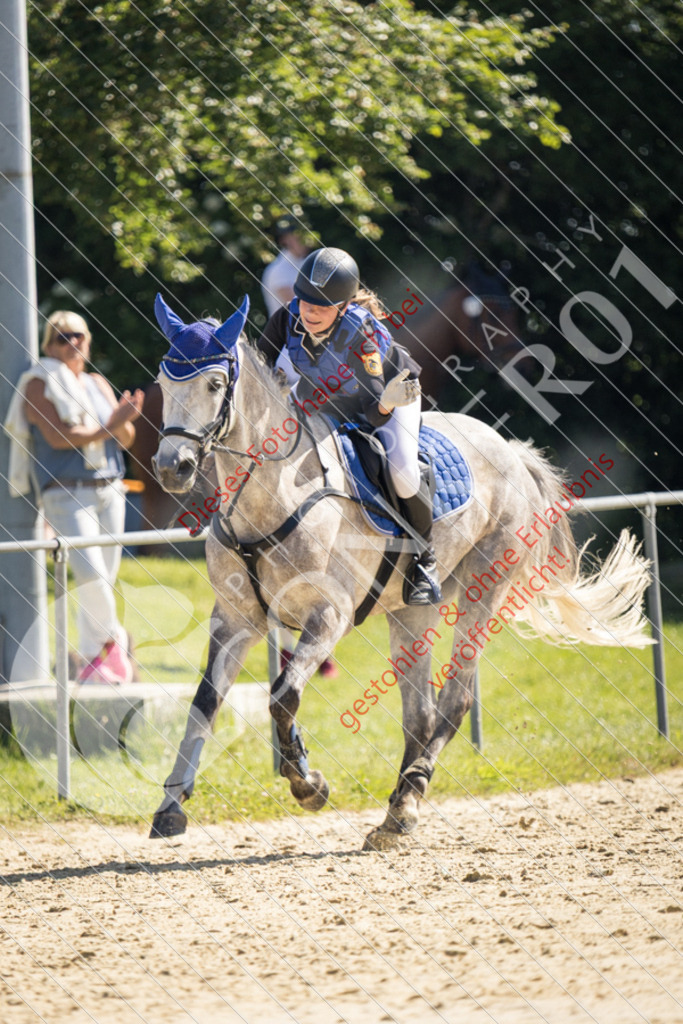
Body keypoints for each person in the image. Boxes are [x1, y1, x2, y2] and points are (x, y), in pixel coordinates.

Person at [257, 247, 442, 606]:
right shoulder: (287, 317)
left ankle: (424, 559)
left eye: (321, 307)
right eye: (305, 302)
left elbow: (373, 412)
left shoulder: (363, 335)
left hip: (390, 396)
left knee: (402, 470)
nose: (308, 313)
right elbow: (261, 369)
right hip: (326, 393)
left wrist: (388, 400)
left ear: (342, 308)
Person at [4, 311, 144, 684]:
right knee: (92, 576)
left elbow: (125, 439)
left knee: (100, 582)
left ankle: (90, 664)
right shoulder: (38, 381)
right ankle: (117, 645)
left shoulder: (97, 383)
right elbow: (58, 438)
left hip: (111, 488)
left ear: (89, 340)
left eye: (78, 336)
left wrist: (122, 422)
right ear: (48, 343)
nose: (72, 343)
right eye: (62, 337)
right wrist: (113, 423)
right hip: (66, 492)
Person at [261, 215, 311, 317]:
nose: (304, 241)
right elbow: (300, 307)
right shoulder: (279, 270)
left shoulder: (305, 263)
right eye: (297, 237)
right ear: (285, 240)